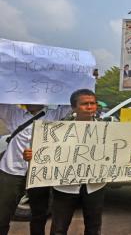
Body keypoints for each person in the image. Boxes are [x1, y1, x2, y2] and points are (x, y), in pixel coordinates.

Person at [24, 89, 106, 235]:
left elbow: (116, 152)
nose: (89, 107)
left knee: (94, 227)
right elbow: (44, 152)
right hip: (65, 187)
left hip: (95, 185)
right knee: (59, 228)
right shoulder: (57, 129)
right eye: (84, 104)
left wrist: (129, 155)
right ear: (74, 107)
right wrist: (32, 155)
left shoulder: (109, 128)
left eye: (92, 103)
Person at [0, 103, 71, 235]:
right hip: (11, 171)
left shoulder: (54, 114)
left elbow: (72, 101)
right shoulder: (13, 112)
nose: (31, 100)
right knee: (2, 212)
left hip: (39, 173)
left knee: (39, 214)